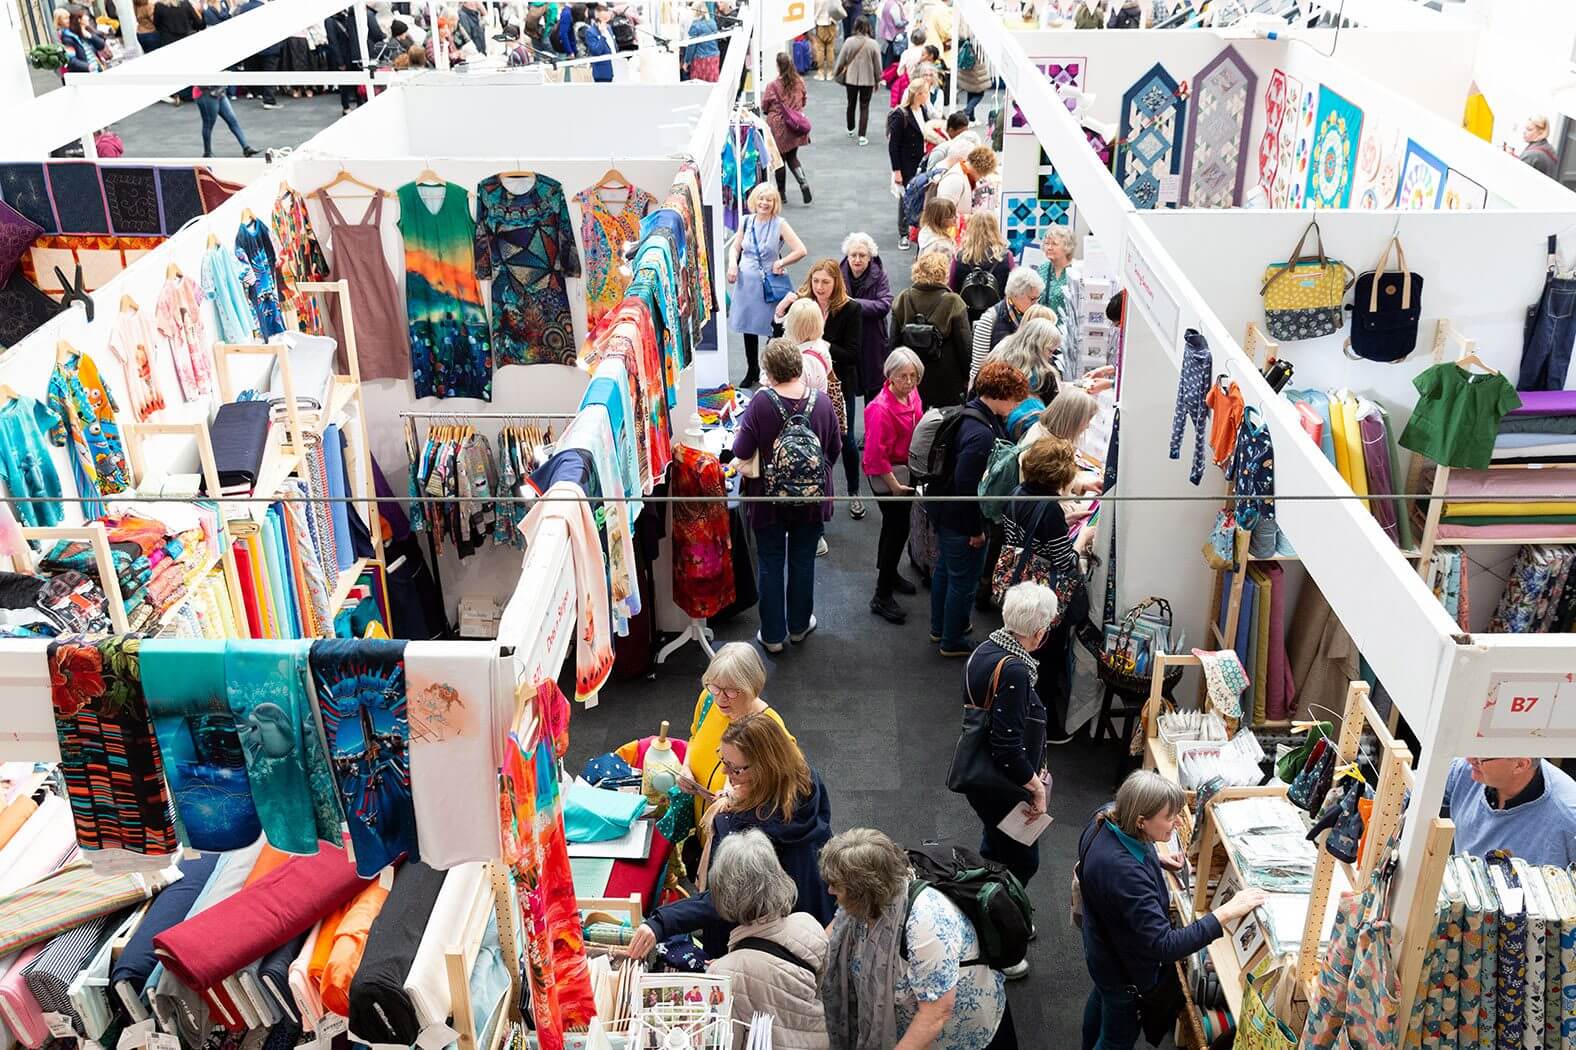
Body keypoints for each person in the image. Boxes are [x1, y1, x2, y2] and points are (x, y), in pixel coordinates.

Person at [1079, 771, 1268, 1050]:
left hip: (1102, 950)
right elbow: (1164, 945)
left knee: (1103, 1000)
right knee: (1116, 1038)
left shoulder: (1106, 816)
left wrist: (1156, 859)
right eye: (1169, 817)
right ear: (1141, 821)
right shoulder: (1126, 874)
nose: (1178, 821)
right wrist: (1226, 912)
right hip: (1123, 969)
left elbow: (1116, 862)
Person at [627, 716, 835, 959]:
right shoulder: (803, 781)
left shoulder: (756, 833)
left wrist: (661, 922)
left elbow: (727, 896)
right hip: (809, 910)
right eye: (722, 760)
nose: (726, 773)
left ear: (765, 768)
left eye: (735, 768)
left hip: (754, 936)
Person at [820, 828, 1016, 1049]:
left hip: (953, 1034)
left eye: (836, 885)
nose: (829, 891)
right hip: (906, 1022)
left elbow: (936, 1013)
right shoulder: (873, 895)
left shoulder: (927, 923)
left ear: (863, 891)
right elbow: (836, 929)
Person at [731, 340, 842, 653]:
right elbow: (833, 450)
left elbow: (741, 451)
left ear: (768, 371)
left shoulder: (761, 403)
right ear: (798, 367)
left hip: (768, 500)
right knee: (803, 560)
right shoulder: (821, 403)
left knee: (770, 561)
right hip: (812, 500)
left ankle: (772, 634)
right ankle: (798, 626)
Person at [962, 582, 1056, 911]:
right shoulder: (1016, 671)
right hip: (1003, 784)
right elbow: (1006, 747)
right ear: (1039, 632)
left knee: (995, 844)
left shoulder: (986, 649)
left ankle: (983, 895)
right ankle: (1002, 915)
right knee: (1023, 861)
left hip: (982, 777)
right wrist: (1036, 789)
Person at [927, 362, 1028, 656]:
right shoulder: (980, 434)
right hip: (962, 521)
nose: (1017, 404)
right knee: (963, 580)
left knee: (946, 571)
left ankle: (940, 628)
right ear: (1002, 393)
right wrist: (976, 531)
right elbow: (967, 486)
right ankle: (953, 639)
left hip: (945, 512)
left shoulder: (969, 413)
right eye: (1014, 397)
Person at [1002, 440, 1096, 744]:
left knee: (1024, 652)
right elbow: (1064, 559)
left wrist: (1064, 521)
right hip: (1043, 597)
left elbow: (1027, 535)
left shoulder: (1017, 494)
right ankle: (1042, 728)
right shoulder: (1050, 510)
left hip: (1018, 584)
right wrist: (1082, 539)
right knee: (1046, 658)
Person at [707, 830, 831, 1050]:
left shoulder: (722, 974)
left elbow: (729, 1042)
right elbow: (817, 988)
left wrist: (728, 966)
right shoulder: (809, 925)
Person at [775, 260, 864, 518]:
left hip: (839, 383)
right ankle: (814, 493)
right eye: (816, 281)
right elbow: (780, 332)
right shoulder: (803, 304)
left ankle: (855, 491)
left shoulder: (851, 309)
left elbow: (852, 354)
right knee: (809, 438)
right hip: (805, 385)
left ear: (836, 282)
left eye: (826, 282)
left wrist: (818, 343)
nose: (820, 287)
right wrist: (783, 308)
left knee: (845, 439)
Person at [683, 643, 792, 813]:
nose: (720, 699)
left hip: (736, 827)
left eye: (731, 691)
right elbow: (694, 738)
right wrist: (686, 767)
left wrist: (738, 795)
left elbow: (784, 784)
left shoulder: (770, 727)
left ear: (752, 688)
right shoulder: (707, 699)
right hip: (702, 818)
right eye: (715, 687)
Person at [864, 348, 924, 624]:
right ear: (889, 375)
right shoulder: (880, 409)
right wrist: (896, 487)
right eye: (903, 376)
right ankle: (881, 594)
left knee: (894, 528)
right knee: (897, 529)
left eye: (914, 375)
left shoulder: (911, 394)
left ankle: (888, 574)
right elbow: (875, 457)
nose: (910, 382)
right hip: (888, 476)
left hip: (903, 471)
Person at [727, 185, 807, 388]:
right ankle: (752, 369)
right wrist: (731, 264)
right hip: (747, 284)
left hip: (770, 285)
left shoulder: (780, 224)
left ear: (775, 203)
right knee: (748, 327)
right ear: (755, 199)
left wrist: (781, 262)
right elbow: (736, 247)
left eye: (769, 200)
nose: (764, 203)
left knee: (775, 327)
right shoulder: (746, 221)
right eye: (761, 198)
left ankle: (771, 369)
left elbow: (800, 250)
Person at [1442, 756, 1576, 866]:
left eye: (1482, 757)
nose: (1470, 758)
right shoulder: (1463, 770)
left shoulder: (1568, 816)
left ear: (1521, 765)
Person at [890, 251, 972, 409]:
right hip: (947, 378)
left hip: (912, 377)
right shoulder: (954, 301)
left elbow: (893, 344)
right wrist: (967, 377)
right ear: (943, 272)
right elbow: (964, 346)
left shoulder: (902, 298)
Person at [840, 233, 894, 411]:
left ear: (870, 257)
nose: (857, 259)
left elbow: (884, 304)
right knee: (846, 391)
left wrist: (852, 304)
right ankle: (846, 437)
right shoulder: (837, 273)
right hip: (846, 340)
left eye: (862, 255)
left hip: (872, 341)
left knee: (873, 393)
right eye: (853, 255)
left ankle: (872, 434)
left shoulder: (880, 275)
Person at [970, 267, 1043, 380]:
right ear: (1016, 295)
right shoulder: (989, 319)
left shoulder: (1035, 316)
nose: (1036, 303)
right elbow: (977, 368)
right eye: (1032, 299)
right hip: (996, 389)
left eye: (1038, 299)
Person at [886, 80, 933, 250]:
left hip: (920, 161)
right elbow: (893, 145)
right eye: (926, 92)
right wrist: (896, 170)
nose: (928, 95)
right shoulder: (901, 114)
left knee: (918, 195)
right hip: (906, 163)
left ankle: (913, 229)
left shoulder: (923, 110)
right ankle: (903, 233)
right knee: (905, 197)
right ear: (918, 94)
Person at [763, 53, 814, 204]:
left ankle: (782, 194)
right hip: (795, 125)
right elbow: (803, 100)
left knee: (779, 160)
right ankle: (803, 182)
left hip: (778, 126)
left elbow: (765, 105)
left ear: (778, 66)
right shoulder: (799, 81)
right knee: (792, 156)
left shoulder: (772, 86)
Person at [980, 317, 1062, 410]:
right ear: (1039, 346)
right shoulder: (1043, 377)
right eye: (1050, 351)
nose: (1050, 356)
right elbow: (1055, 412)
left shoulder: (998, 358)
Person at [950, 213, 1012, 322]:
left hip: (966, 315)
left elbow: (952, 287)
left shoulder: (960, 257)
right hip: (997, 315)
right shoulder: (1006, 257)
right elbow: (1012, 289)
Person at [833, 18, 881, 144]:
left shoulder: (849, 42)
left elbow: (841, 60)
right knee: (864, 106)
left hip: (851, 79)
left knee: (851, 103)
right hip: (868, 79)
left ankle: (850, 128)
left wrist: (837, 73)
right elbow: (878, 66)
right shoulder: (873, 44)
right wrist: (877, 80)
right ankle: (862, 136)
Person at [233, 0, 284, 108]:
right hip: (269, 48)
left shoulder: (243, 9)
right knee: (269, 74)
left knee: (257, 72)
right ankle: (269, 100)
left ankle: (259, 93)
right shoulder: (267, 8)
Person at [935, 144, 997, 224]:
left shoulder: (963, 175)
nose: (981, 178)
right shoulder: (955, 180)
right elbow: (944, 214)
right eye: (982, 175)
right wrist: (974, 219)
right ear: (980, 170)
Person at [193, 83, 260, 157]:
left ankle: (246, 148)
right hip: (206, 93)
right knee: (208, 125)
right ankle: (207, 153)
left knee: (233, 121)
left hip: (219, 92)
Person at [1036, 225, 1077, 327]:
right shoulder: (1042, 269)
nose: (1049, 247)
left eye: (1054, 244)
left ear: (1067, 247)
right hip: (1043, 330)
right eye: (1047, 243)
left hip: (1065, 333)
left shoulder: (1075, 273)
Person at [955, 28, 991, 120]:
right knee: (979, 94)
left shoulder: (965, 40)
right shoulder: (978, 42)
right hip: (976, 71)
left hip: (967, 71)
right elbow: (983, 55)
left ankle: (971, 117)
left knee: (971, 91)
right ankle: (967, 111)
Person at [56, 8, 106, 73]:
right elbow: (71, 60)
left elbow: (101, 45)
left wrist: (89, 36)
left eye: (69, 18)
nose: (68, 20)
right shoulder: (67, 37)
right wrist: (87, 67)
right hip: (86, 74)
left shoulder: (83, 31)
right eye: (65, 18)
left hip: (96, 70)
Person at [683, 2, 720, 81]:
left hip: (701, 59)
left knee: (698, 84)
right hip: (714, 57)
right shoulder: (713, 22)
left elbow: (691, 46)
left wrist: (687, 61)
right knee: (712, 83)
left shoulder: (695, 25)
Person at [810, 0, 844, 79]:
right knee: (830, 48)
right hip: (831, 23)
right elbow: (838, 7)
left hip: (820, 23)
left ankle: (820, 72)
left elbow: (814, 10)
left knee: (820, 49)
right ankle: (830, 72)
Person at [876, 0, 906, 67]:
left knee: (887, 54)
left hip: (886, 33)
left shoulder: (887, 3)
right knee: (891, 57)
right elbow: (898, 23)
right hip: (894, 34)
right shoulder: (894, 6)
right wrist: (906, 22)